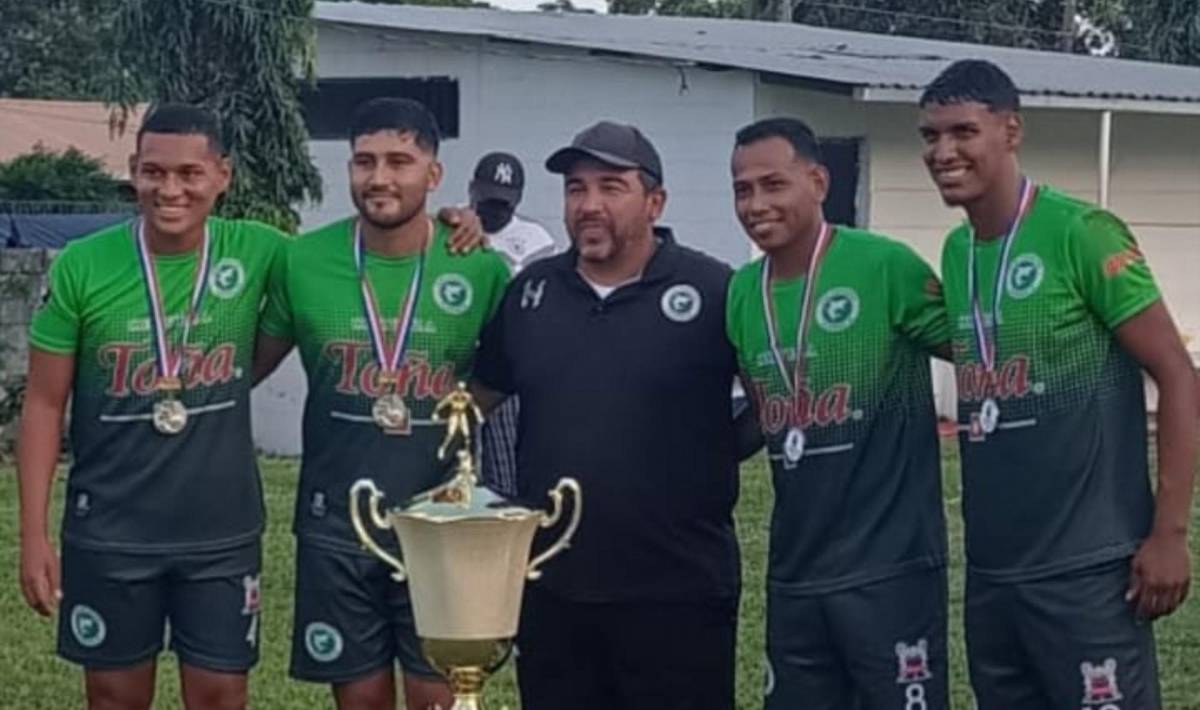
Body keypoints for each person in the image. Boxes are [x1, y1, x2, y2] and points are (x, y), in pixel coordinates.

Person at [919, 59, 1197, 709]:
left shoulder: (1079, 232)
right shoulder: (959, 254)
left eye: (963, 131)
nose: (942, 151)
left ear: (1011, 132)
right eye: (929, 136)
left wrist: (1170, 534)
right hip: (993, 574)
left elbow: (1178, 375)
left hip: (1088, 569)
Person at [473, 121, 755, 710]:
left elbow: (769, 401)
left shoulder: (713, 290)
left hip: (677, 589)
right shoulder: (532, 293)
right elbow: (478, 397)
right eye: (576, 189)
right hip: (553, 589)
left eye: (611, 187)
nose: (589, 206)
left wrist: (708, 454)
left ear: (655, 201)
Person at [18, 103, 280, 710]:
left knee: (220, 695)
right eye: (153, 172)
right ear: (133, 170)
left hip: (221, 532)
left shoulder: (260, 252)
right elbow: (43, 403)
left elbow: (352, 257)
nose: (171, 190)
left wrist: (458, 222)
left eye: (190, 174)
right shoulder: (85, 264)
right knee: (113, 697)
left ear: (223, 176)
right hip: (110, 529)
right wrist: (33, 534)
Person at [253, 97, 509, 710]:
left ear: (434, 173)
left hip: (441, 525)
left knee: (437, 697)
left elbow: (505, 377)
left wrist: (455, 413)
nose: (380, 178)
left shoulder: (478, 266)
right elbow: (247, 367)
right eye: (364, 161)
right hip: (337, 518)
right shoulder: (302, 260)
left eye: (400, 160)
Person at [726, 117, 951, 709]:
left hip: (890, 569)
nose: (756, 204)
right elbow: (766, 413)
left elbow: (981, 355)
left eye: (773, 184)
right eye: (742, 190)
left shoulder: (883, 265)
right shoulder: (742, 293)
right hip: (796, 572)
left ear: (818, 181)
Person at [467, 151, 556, 497]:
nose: (494, 211)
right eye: (488, 201)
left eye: (503, 205)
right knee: (459, 455)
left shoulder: (536, 240)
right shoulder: (454, 230)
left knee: (504, 465)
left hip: (506, 364)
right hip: (463, 356)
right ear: (472, 190)